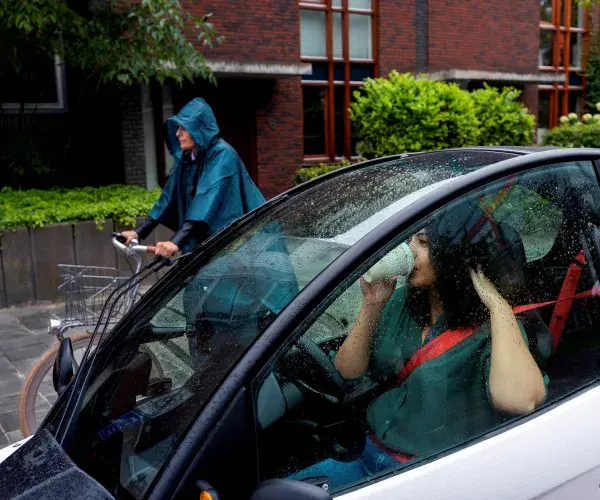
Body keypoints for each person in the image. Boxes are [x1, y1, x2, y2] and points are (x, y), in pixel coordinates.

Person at [290, 200, 547, 489]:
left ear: (452, 254)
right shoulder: (402, 304)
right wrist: (371, 306)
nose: (410, 251)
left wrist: (498, 305)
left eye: (422, 242)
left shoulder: (493, 331)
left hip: (420, 477)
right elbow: (346, 373)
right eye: (410, 239)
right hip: (365, 451)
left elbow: (520, 400)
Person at [121, 98, 266, 257]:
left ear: (199, 130)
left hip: (231, 243)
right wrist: (139, 232)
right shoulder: (188, 158)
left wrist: (175, 241)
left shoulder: (222, 154)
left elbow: (205, 199)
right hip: (202, 242)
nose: (177, 134)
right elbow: (168, 195)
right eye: (178, 128)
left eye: (184, 128)